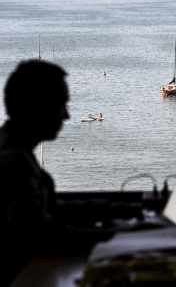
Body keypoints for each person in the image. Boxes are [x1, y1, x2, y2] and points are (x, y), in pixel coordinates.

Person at [0, 60, 142, 286]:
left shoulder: (12, 151)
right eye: (62, 105)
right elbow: (42, 235)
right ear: (35, 110)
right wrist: (119, 236)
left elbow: (46, 210)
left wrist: (107, 210)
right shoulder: (14, 162)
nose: (66, 116)